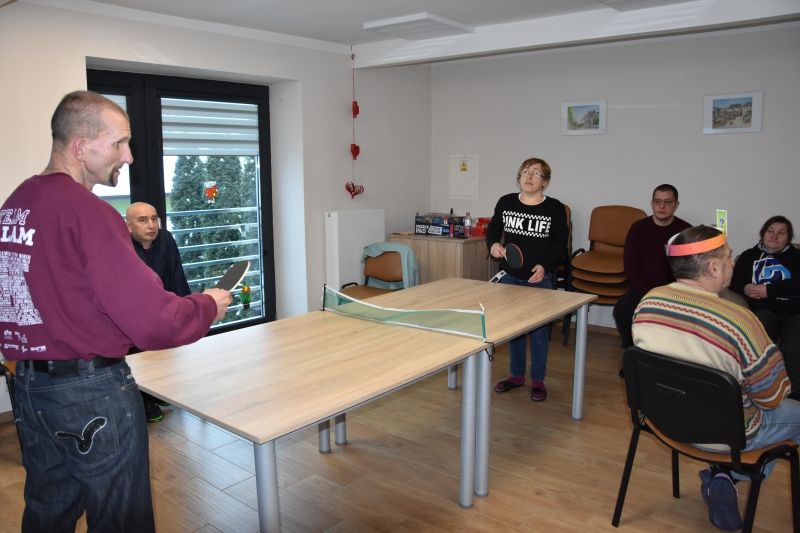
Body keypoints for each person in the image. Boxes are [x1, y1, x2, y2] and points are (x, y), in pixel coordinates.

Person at [0, 90, 232, 532]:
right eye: (120, 142)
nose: (128, 155)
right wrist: (207, 305)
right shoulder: (91, 213)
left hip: (30, 387)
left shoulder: (15, 206)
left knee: (48, 508)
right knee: (121, 517)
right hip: (90, 393)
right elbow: (151, 320)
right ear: (80, 146)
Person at [633, 225, 798, 531]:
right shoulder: (739, 320)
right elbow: (772, 397)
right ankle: (732, 475)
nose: (733, 262)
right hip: (726, 436)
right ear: (712, 267)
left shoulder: (648, 303)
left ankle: (722, 476)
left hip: (663, 420)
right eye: (729, 257)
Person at [487, 157, 568, 401]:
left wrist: (545, 266)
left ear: (545, 181)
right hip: (510, 276)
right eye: (524, 172)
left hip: (539, 278)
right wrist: (493, 244)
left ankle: (538, 380)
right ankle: (516, 376)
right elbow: (493, 229)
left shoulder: (554, 208)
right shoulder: (506, 202)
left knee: (539, 333)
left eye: (535, 173)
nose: (528, 177)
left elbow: (559, 243)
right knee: (514, 330)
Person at [126, 201, 192, 422]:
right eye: (143, 220)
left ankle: (159, 392)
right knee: (139, 355)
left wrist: (186, 310)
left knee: (168, 350)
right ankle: (145, 401)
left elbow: (177, 276)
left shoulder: (166, 239)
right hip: (135, 315)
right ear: (129, 226)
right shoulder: (122, 245)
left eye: (154, 219)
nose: (151, 225)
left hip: (163, 309)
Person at [730, 215, 800, 400]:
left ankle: (794, 392)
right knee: (761, 332)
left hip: (794, 312)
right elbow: (733, 282)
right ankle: (761, 388)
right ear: (763, 233)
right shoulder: (748, 256)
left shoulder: (797, 257)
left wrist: (770, 290)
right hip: (763, 310)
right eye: (770, 231)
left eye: (781, 233)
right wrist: (745, 288)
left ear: (788, 237)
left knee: (795, 341)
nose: (774, 236)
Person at [613, 184, 691, 349]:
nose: (662, 206)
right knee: (622, 310)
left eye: (668, 202)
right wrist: (649, 293)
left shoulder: (685, 232)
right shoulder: (638, 228)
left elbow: (689, 268)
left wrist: (669, 292)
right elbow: (630, 266)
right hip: (643, 288)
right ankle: (631, 352)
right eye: (658, 201)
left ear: (676, 205)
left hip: (674, 290)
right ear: (652, 203)